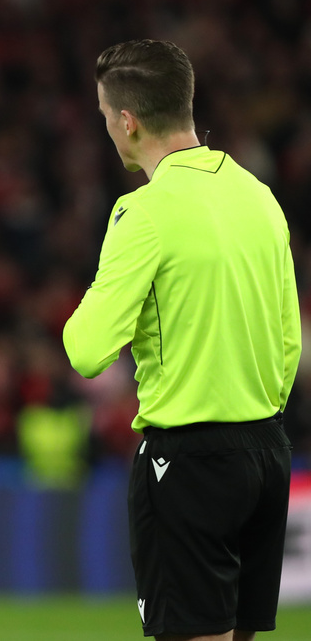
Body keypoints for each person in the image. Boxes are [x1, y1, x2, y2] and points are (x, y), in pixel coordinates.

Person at [63, 39, 300, 640]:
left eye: (103, 116)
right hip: (269, 454)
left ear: (127, 120)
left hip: (190, 464)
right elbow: (288, 342)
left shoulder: (142, 213)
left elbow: (87, 351)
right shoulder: (259, 196)